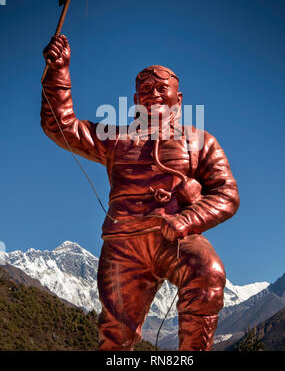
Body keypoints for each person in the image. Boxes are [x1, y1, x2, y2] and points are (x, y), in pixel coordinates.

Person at [41, 35, 240, 351]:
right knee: (116, 337)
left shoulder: (201, 141)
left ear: (179, 98)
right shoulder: (114, 138)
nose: (154, 95)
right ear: (135, 99)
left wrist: (187, 218)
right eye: (146, 90)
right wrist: (59, 72)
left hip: (177, 238)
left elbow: (227, 194)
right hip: (123, 246)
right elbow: (61, 127)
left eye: (163, 89)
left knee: (208, 273)